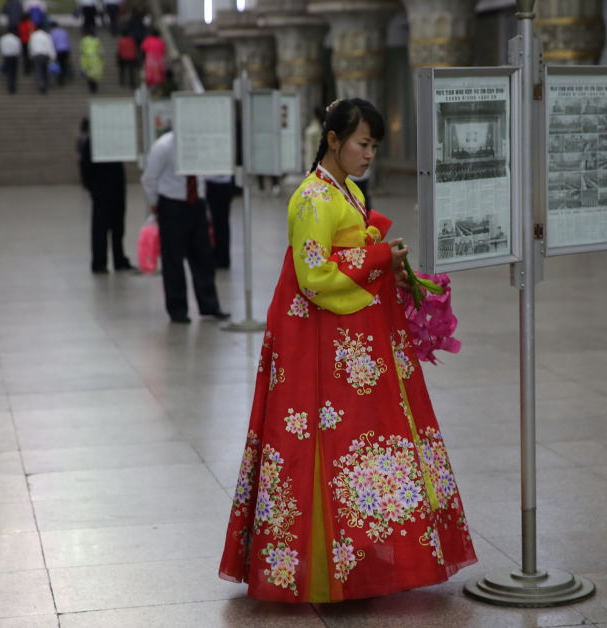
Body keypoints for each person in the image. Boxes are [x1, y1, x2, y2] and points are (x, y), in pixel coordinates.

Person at [217, 98, 477, 602]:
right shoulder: (314, 198)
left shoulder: (345, 191)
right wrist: (379, 256)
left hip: (344, 341)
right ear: (333, 140)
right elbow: (313, 274)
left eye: (375, 146)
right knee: (324, 445)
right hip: (320, 343)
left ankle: (357, 562)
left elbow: (337, 260)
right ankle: (321, 568)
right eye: (363, 144)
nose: (369, 154)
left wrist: (390, 267)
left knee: (360, 446)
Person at [141, 130, 229, 323]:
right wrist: (155, 204)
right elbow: (149, 178)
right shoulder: (163, 146)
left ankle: (210, 305)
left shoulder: (200, 144)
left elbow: (202, 176)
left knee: (203, 256)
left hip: (196, 203)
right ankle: (177, 309)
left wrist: (203, 203)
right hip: (172, 204)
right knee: (173, 259)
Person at [79, 124, 134, 274]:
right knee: (100, 228)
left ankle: (119, 259)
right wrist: (91, 186)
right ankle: (99, 262)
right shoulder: (92, 141)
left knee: (118, 226)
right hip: (101, 189)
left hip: (117, 187)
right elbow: (85, 165)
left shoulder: (114, 139)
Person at [204, 174, 234, 269]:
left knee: (220, 224)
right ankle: (219, 255)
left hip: (219, 185)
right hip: (216, 184)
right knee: (218, 224)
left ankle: (222, 258)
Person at [28, 24, 55, 94]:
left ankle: (41, 85)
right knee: (45, 71)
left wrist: (31, 55)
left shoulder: (33, 35)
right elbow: (50, 46)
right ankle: (45, 85)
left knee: (38, 71)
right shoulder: (46, 35)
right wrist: (53, 55)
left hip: (36, 55)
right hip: (45, 55)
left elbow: (31, 46)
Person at [79, 26, 102, 93]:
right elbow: (100, 51)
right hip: (96, 59)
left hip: (87, 59)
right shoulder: (97, 40)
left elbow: (82, 51)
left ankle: (91, 87)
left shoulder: (84, 40)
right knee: (95, 73)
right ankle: (94, 87)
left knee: (89, 74)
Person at [302, 104, 323, 176]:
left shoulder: (311, 131)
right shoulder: (323, 129)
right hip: (323, 167)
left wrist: (308, 169)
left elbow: (309, 152)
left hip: (313, 167)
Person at [0, 28, 21, 93]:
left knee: (9, 71)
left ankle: (9, 86)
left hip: (6, 56)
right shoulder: (16, 38)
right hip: (14, 57)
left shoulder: (3, 38)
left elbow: (0, 48)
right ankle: (13, 86)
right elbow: (18, 49)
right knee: (13, 73)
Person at [49, 21, 71, 86]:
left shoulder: (52, 33)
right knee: (64, 64)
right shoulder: (63, 32)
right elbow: (67, 41)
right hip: (66, 50)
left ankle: (60, 78)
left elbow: (52, 44)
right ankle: (64, 75)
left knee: (59, 64)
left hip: (58, 51)